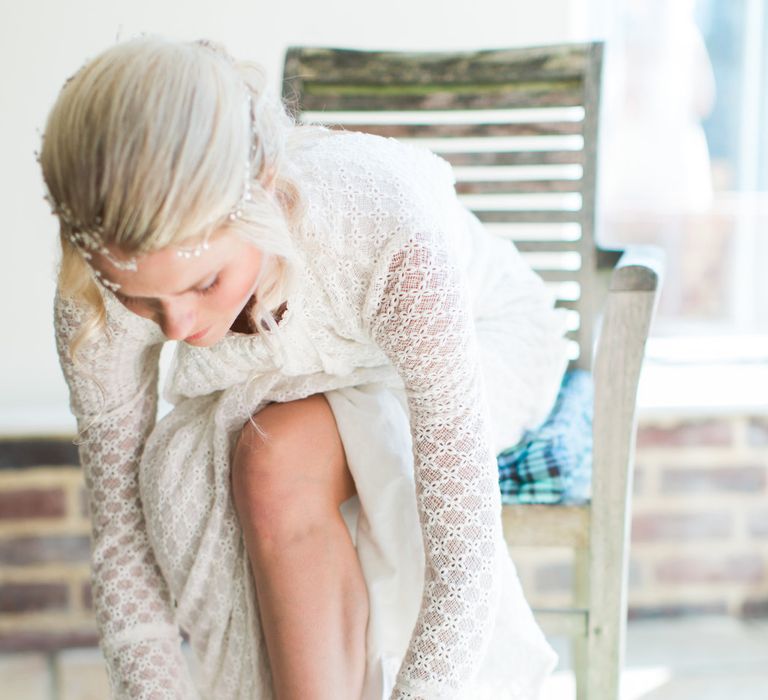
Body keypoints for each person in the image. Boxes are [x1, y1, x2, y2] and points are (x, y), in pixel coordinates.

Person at [39, 36, 569, 700]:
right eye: (139, 298)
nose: (177, 327)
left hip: (487, 339)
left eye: (205, 283)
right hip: (298, 382)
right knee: (213, 464)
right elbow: (120, 537)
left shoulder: (387, 233)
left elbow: (464, 552)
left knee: (274, 456)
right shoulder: (90, 296)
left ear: (263, 196)